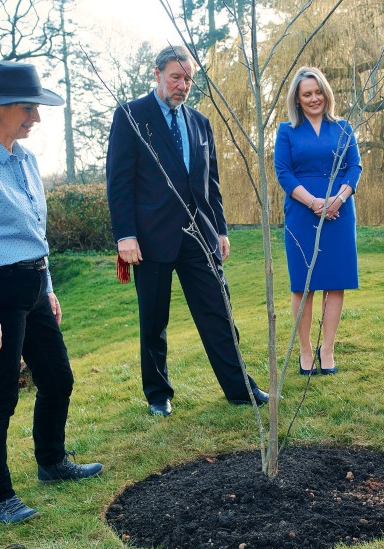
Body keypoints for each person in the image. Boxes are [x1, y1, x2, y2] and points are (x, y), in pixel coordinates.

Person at [0, 61, 103, 525]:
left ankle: (51, 463)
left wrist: (48, 286)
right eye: (27, 109)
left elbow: (35, 231)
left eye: (36, 109)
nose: (35, 118)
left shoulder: (27, 159)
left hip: (33, 284)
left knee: (57, 378)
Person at [106, 45, 268, 416]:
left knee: (219, 311)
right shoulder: (130, 116)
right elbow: (118, 182)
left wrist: (221, 230)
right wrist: (125, 235)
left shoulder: (200, 122)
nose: (181, 85)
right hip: (150, 238)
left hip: (200, 234)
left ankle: (240, 388)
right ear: (157, 74)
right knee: (154, 320)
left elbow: (211, 183)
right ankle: (158, 395)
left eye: (188, 79)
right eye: (175, 77)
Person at [274, 67, 362, 375]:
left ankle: (328, 349)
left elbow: (355, 167)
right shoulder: (286, 131)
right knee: (303, 285)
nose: (314, 98)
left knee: (335, 283)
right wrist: (313, 202)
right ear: (297, 100)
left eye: (318, 92)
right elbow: (283, 173)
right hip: (301, 213)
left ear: (326, 93)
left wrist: (338, 199)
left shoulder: (343, 128)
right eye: (306, 94)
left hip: (340, 210)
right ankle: (306, 350)